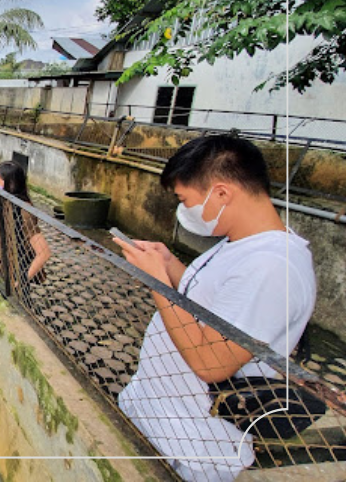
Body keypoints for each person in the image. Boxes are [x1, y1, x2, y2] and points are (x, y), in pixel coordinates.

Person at [113, 135, 317, 482]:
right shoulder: (240, 244)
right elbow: (207, 302)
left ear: (221, 193)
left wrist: (157, 282)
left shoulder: (272, 267)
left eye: (185, 200)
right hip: (159, 417)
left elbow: (211, 363)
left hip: (193, 447)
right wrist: (169, 265)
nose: (183, 210)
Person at [0, 161, 51, 290]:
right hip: (0, 269)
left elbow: (44, 253)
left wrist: (21, 281)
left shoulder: (24, 212)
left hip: (15, 272)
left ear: (10, 184)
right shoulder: (6, 203)